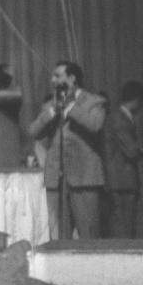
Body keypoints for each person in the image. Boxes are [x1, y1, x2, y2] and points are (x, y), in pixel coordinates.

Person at [29, 60, 108, 240]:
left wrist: (70, 107)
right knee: (58, 238)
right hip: (57, 180)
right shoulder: (51, 105)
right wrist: (53, 111)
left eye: (57, 76)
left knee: (89, 235)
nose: (52, 80)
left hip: (84, 179)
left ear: (72, 79)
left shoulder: (94, 102)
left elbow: (95, 125)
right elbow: (33, 131)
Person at [105, 81, 143, 236]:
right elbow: (132, 151)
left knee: (124, 224)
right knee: (125, 226)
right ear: (137, 99)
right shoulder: (120, 119)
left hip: (121, 180)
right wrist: (141, 149)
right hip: (123, 181)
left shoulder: (120, 117)